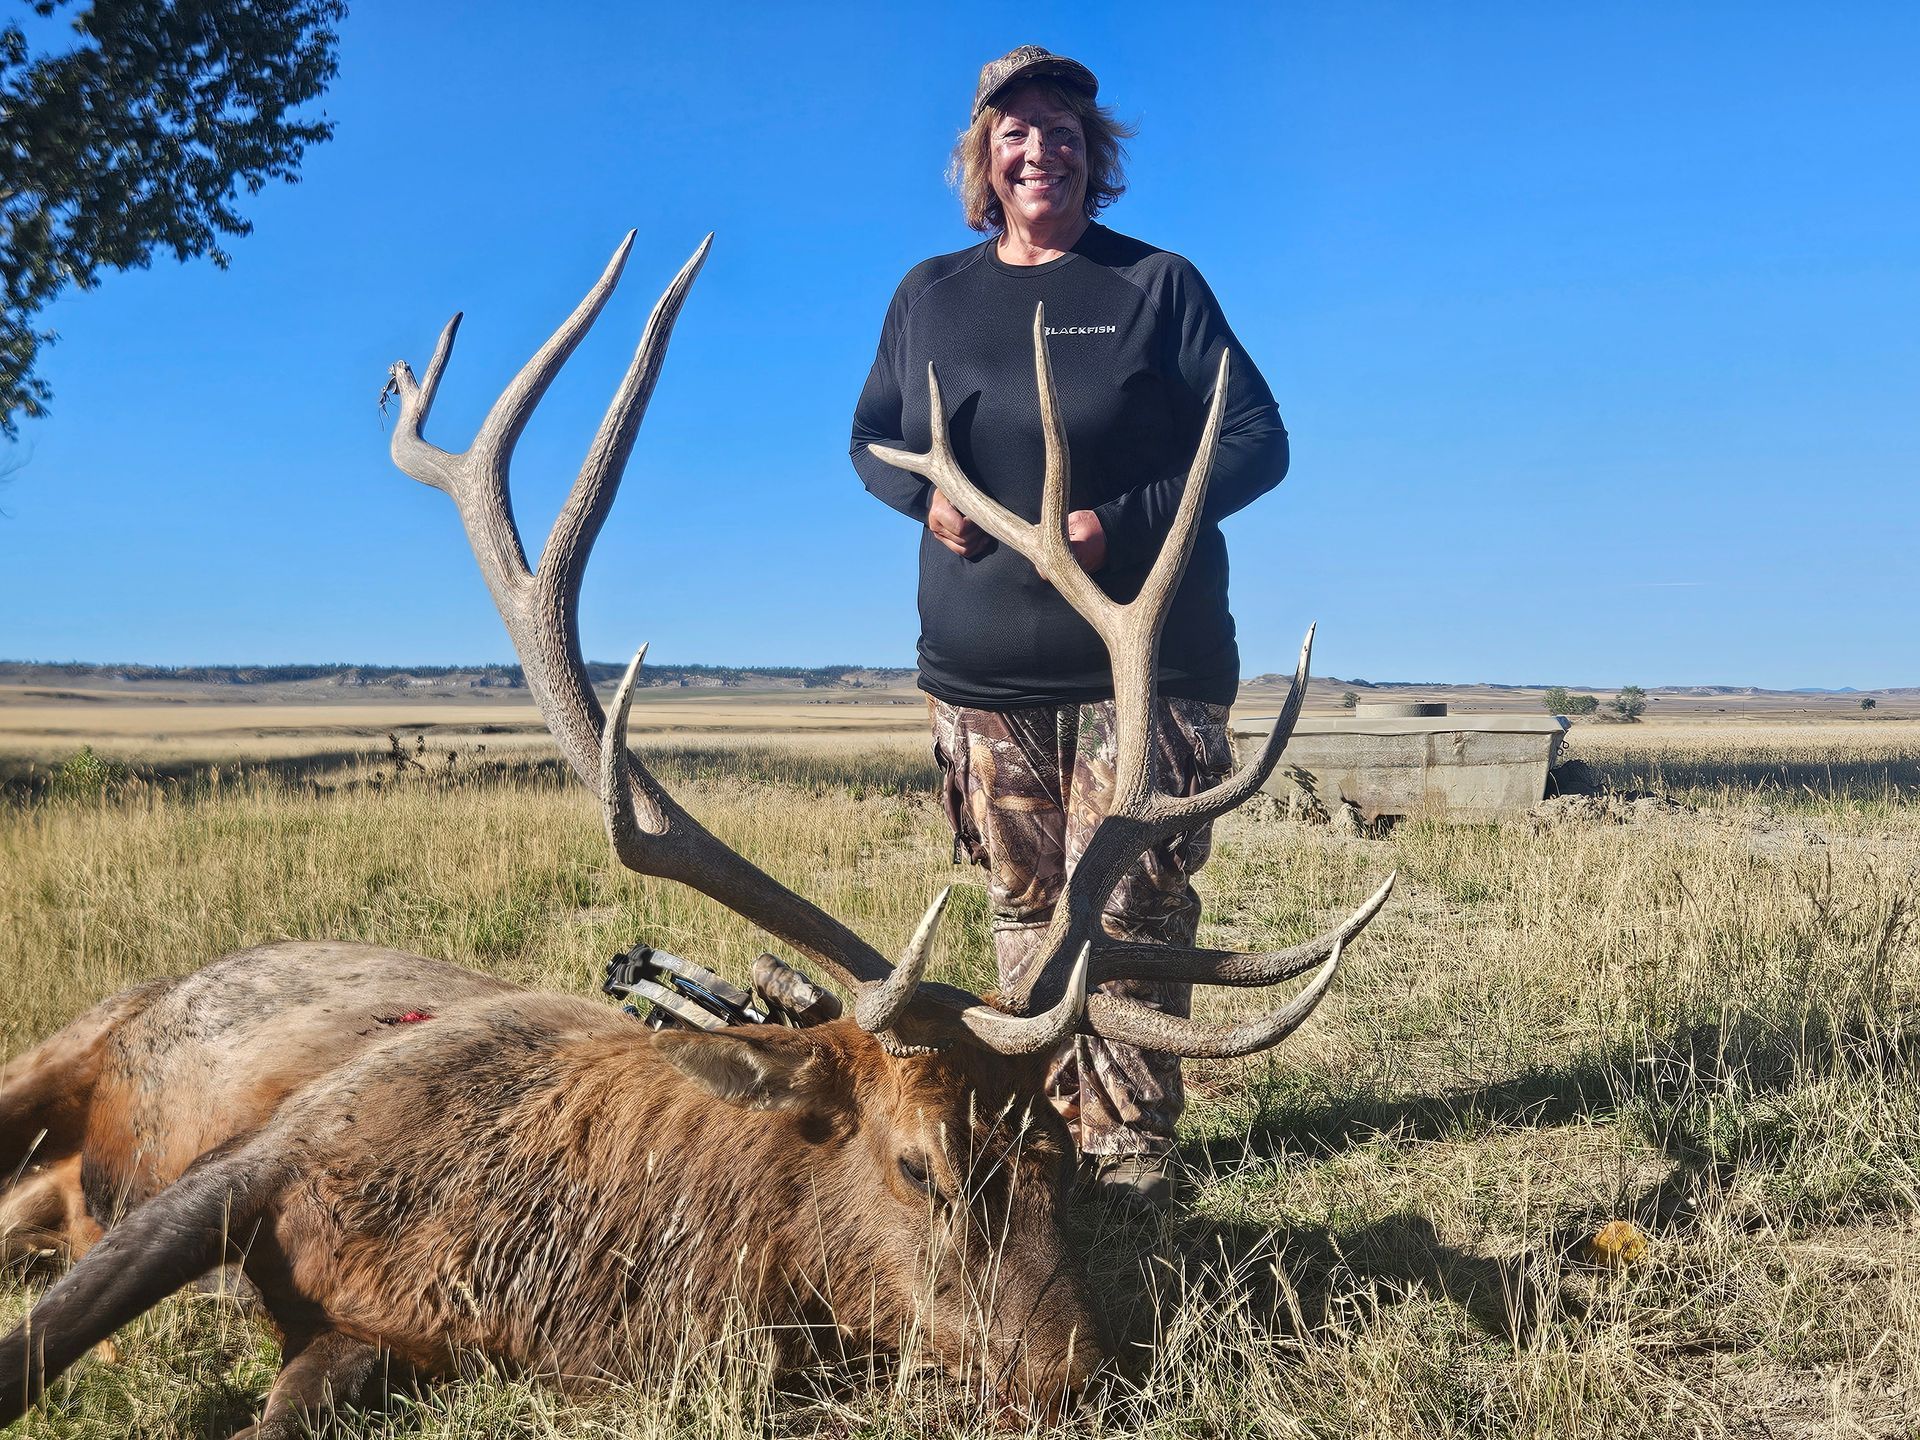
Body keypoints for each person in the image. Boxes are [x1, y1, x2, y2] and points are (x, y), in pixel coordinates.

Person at [848, 45, 1289, 1210]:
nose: (1038, 148)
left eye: (1062, 130)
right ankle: (1046, 1152)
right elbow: (872, 438)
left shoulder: (1156, 286)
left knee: (1131, 912)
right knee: (1028, 916)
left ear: (1095, 156)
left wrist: (1116, 524)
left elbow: (1257, 441)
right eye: (1015, 130)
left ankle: (1131, 1170)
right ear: (982, 157)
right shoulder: (929, 296)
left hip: (1142, 677)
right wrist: (922, 499)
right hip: (983, 686)